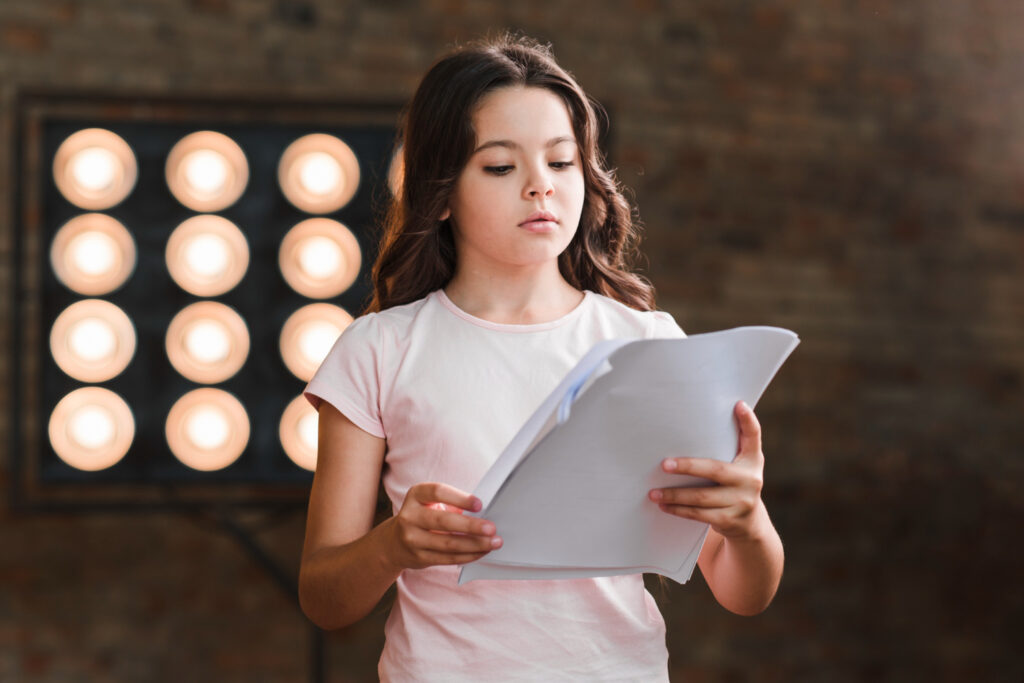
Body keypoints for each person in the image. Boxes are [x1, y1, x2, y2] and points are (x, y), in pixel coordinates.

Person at [299, 34, 784, 682]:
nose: (540, 187)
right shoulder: (378, 349)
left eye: (561, 162)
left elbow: (744, 592)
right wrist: (393, 545)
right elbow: (325, 596)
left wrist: (748, 522)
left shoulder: (647, 343)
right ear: (441, 193)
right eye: (501, 167)